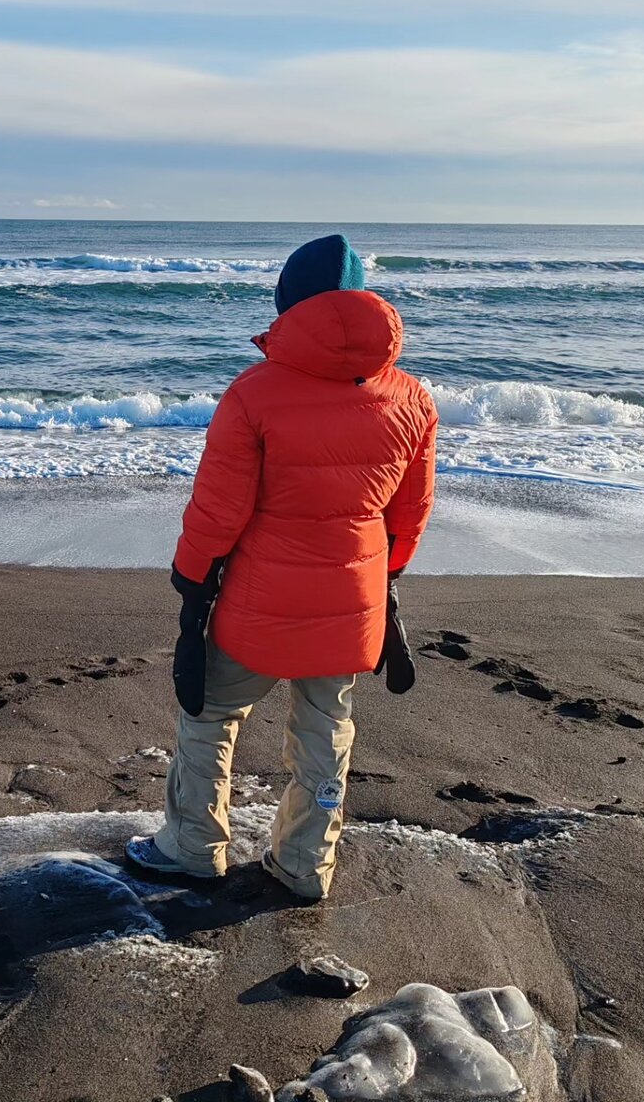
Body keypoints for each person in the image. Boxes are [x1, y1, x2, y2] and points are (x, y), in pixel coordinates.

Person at [126, 233, 438, 901]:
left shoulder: (255, 393)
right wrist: (379, 576)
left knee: (210, 714)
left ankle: (190, 846)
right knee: (327, 728)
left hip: (257, 600)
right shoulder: (411, 398)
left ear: (289, 303)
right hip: (352, 601)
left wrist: (190, 578)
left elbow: (218, 512)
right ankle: (304, 865)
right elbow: (408, 519)